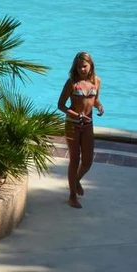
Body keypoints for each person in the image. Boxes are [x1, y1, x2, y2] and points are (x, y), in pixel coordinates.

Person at [56, 52, 104, 209]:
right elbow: (61, 105)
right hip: (72, 124)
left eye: (84, 66)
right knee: (74, 160)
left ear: (90, 65)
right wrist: (77, 115)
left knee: (88, 161)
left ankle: (76, 181)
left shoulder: (96, 81)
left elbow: (94, 100)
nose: (81, 69)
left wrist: (100, 106)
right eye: (78, 67)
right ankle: (72, 195)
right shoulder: (71, 83)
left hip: (88, 124)